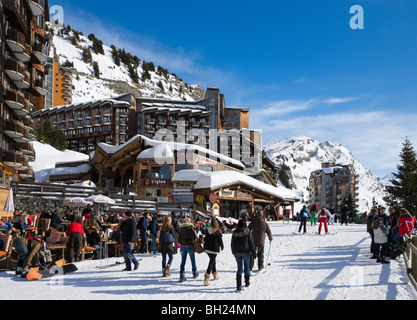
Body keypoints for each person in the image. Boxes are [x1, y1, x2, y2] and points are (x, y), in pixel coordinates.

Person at [231, 219, 256, 292]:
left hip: (237, 252)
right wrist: (254, 253)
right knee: (247, 267)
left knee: (239, 268)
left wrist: (233, 252)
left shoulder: (235, 232)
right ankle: (247, 282)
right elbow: (251, 243)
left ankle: (238, 286)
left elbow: (232, 243)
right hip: (246, 252)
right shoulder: (247, 231)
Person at [203, 217, 224, 286]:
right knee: (211, 262)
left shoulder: (207, 230)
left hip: (207, 248)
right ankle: (206, 278)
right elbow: (220, 240)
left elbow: (205, 238)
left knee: (213, 260)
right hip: (214, 249)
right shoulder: (217, 231)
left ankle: (215, 275)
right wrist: (222, 246)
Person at [178, 218, 198, 282]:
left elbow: (179, 238)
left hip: (183, 246)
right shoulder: (190, 228)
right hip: (190, 245)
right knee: (192, 259)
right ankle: (194, 272)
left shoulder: (181, 229)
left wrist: (182, 243)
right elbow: (194, 237)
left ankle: (182, 275)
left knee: (183, 261)